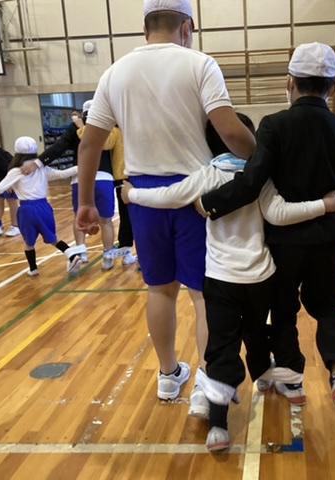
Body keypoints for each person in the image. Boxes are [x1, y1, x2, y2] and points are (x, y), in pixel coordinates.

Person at [76, 0, 256, 415]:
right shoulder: (200, 64)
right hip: (195, 196)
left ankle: (167, 374)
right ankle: (207, 385)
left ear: (145, 28)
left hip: (143, 197)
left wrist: (85, 201)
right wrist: (263, 163)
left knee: (160, 289)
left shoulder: (114, 72)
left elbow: (90, 144)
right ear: (187, 27)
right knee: (203, 295)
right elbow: (231, 132)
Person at [123, 113, 335, 451]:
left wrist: (132, 195)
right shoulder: (261, 178)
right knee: (257, 331)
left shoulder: (207, 176)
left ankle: (218, 427)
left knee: (222, 347)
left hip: (222, 279)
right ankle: (268, 376)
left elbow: (168, 196)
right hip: (260, 276)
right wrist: (324, 205)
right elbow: (279, 214)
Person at [198, 43, 335, 423]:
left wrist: (209, 203)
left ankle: (292, 378)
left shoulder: (274, 125)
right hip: (326, 239)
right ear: (332, 87)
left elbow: (251, 183)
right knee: (329, 309)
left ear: (290, 82)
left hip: (284, 242)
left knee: (284, 312)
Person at [0, 137, 83, 276]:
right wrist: (81, 167)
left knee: (29, 242)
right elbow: (62, 174)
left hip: (27, 209)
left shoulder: (16, 171)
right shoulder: (41, 168)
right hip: (44, 207)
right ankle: (71, 255)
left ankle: (33, 269)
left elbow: (0, 188)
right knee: (53, 238)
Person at [71, 100, 133, 270]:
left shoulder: (120, 129)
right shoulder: (115, 130)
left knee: (129, 219)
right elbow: (103, 143)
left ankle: (124, 253)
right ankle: (124, 253)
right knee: (125, 218)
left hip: (131, 175)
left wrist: (81, 128)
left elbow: (99, 143)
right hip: (123, 177)